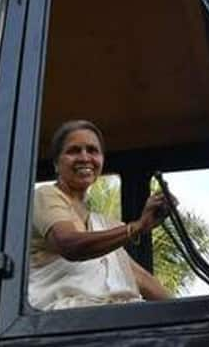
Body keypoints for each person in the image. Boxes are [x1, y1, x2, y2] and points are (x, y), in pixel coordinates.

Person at [29, 120, 171, 310]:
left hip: (110, 320)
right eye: (74, 151)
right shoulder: (45, 196)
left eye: (92, 150)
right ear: (57, 163)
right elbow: (70, 245)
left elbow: (142, 279)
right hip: (64, 322)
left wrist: (192, 316)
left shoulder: (103, 225)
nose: (85, 157)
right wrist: (137, 227)